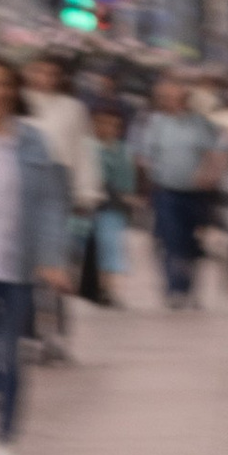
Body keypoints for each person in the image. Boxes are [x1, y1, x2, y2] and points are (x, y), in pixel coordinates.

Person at [0, 55, 72, 455]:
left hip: (18, 266)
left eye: (6, 84)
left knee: (8, 352)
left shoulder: (33, 142)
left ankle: (5, 435)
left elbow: (50, 204)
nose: (0, 93)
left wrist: (53, 259)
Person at [24, 53, 98, 360]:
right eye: (39, 71)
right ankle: (28, 332)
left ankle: (55, 332)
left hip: (60, 189)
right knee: (24, 267)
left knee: (56, 264)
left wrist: (87, 191)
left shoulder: (73, 109)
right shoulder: (19, 104)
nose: (46, 79)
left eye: (52, 73)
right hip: (23, 187)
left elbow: (85, 150)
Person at [136, 70, 221, 310]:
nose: (168, 101)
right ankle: (174, 287)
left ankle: (189, 285)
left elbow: (212, 152)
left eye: (174, 96)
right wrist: (146, 183)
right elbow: (146, 156)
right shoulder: (155, 123)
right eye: (164, 97)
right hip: (167, 191)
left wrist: (207, 173)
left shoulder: (200, 124)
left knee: (192, 243)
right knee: (172, 239)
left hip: (196, 193)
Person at [88, 102, 137, 307]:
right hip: (88, 205)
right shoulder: (85, 146)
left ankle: (107, 289)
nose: (108, 128)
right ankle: (96, 286)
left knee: (110, 247)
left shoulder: (122, 150)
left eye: (114, 125)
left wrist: (128, 199)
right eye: (103, 123)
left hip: (112, 206)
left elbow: (127, 181)